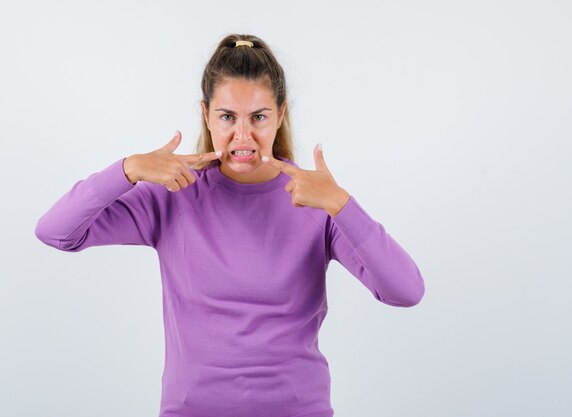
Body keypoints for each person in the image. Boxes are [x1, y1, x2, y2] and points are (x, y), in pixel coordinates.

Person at [34, 33, 425, 417]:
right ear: (206, 114)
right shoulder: (174, 193)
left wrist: (341, 204)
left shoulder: (315, 201)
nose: (243, 136)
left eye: (258, 116)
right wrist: (128, 169)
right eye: (227, 117)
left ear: (280, 115)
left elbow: (405, 291)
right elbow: (56, 232)